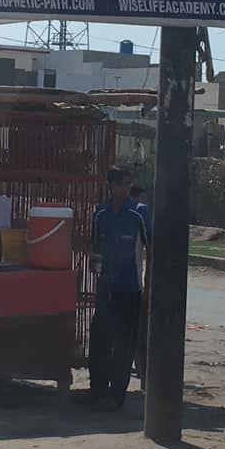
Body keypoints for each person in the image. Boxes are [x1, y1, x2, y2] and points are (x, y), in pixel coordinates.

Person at [86, 167, 149, 409]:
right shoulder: (100, 214)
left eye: (127, 184)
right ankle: (97, 390)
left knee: (123, 343)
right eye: (120, 184)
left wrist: (148, 285)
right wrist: (95, 262)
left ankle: (116, 395)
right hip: (106, 287)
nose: (124, 188)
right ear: (111, 186)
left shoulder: (139, 213)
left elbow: (151, 248)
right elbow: (95, 246)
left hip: (130, 288)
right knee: (100, 339)